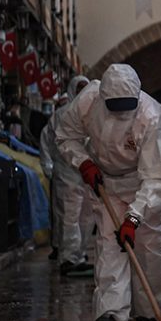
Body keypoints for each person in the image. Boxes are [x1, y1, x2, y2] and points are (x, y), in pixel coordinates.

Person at [56, 64, 161, 321]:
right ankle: (109, 318)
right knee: (109, 248)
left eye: (127, 107)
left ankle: (148, 317)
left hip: (143, 184)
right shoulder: (87, 101)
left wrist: (134, 219)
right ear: (102, 98)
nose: (122, 114)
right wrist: (82, 162)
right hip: (106, 183)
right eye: (115, 107)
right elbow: (65, 136)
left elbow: (158, 178)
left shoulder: (153, 117)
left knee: (146, 250)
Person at [40, 75, 96, 275]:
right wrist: (49, 168)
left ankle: (79, 254)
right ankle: (69, 258)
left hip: (88, 173)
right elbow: (49, 142)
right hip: (67, 171)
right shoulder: (63, 114)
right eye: (79, 88)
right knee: (70, 215)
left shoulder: (93, 113)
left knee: (87, 216)